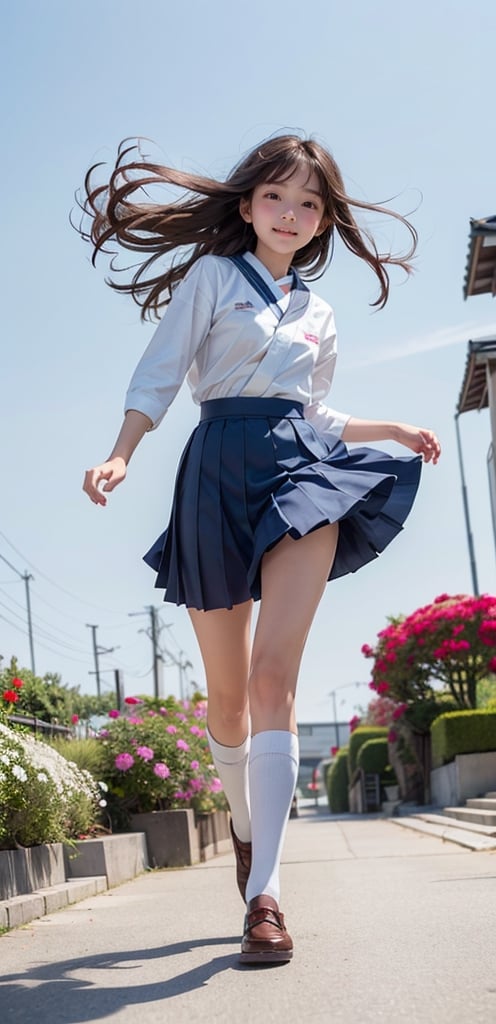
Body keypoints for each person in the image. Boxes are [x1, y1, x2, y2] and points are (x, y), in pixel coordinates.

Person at [80, 133, 441, 965]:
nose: (292, 213)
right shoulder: (212, 278)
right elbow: (160, 374)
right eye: (277, 197)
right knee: (230, 700)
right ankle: (245, 829)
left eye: (309, 204)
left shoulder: (319, 311)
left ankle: (267, 895)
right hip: (214, 469)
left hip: (298, 474)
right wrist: (121, 452)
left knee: (278, 677)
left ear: (322, 223)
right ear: (247, 206)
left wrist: (388, 427)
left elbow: (315, 413)